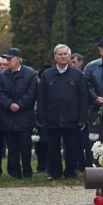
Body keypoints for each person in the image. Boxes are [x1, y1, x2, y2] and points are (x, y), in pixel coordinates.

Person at [37, 45, 88, 180]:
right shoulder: (47, 75)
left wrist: (82, 118)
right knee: (52, 148)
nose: (63, 56)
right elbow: (41, 98)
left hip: (72, 118)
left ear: (69, 57)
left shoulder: (77, 74)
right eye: (60, 54)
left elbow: (83, 97)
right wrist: (42, 118)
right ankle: (55, 173)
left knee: (71, 147)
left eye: (66, 54)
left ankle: (71, 171)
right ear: (55, 56)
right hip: (52, 117)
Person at [0, 48, 38, 179]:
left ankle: (27, 172)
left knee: (26, 146)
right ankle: (14, 172)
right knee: (12, 147)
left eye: (10, 59)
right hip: (8, 117)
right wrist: (9, 104)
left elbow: (32, 93)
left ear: (19, 59)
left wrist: (19, 105)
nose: (7, 61)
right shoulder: (2, 76)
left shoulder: (30, 74)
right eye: (6, 59)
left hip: (24, 116)